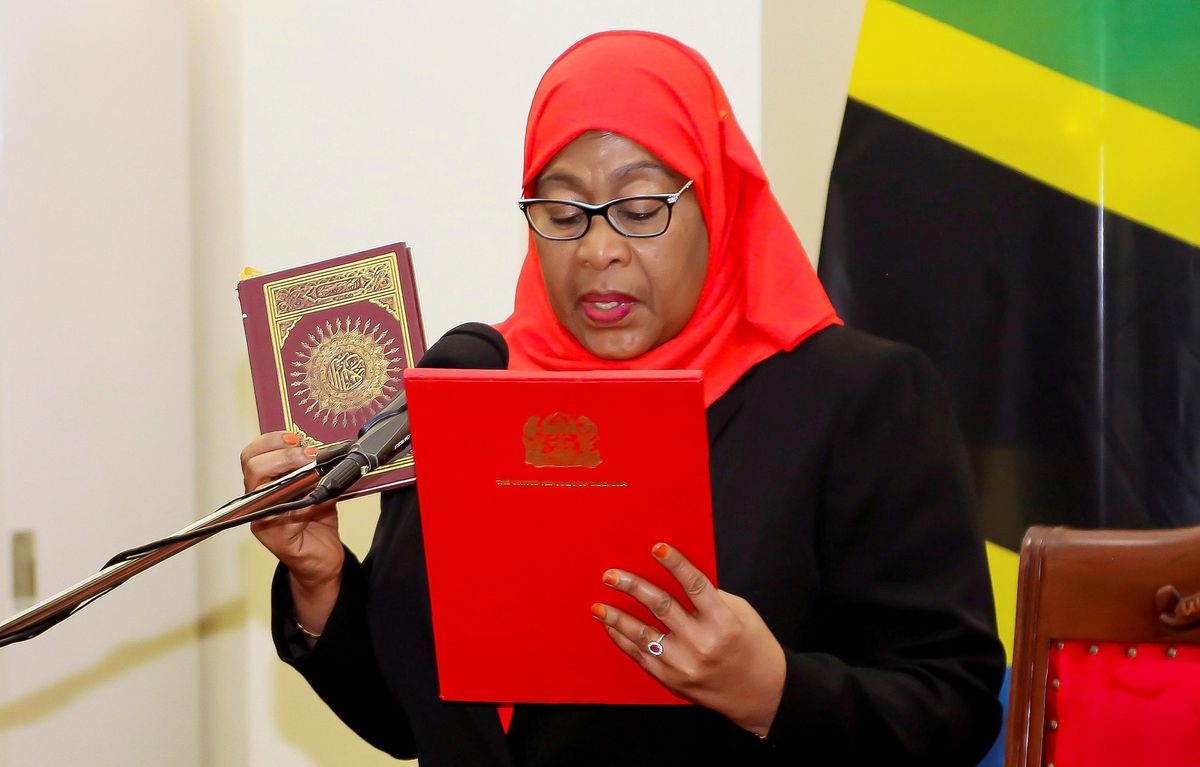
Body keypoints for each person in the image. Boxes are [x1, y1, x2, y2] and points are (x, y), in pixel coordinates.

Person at [241, 31, 1005, 766]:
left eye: (640, 211)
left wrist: (773, 692)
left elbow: (955, 704)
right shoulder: (468, 387)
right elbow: (406, 719)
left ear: (715, 202)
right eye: (563, 213)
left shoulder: (855, 399)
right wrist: (322, 576)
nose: (599, 249)